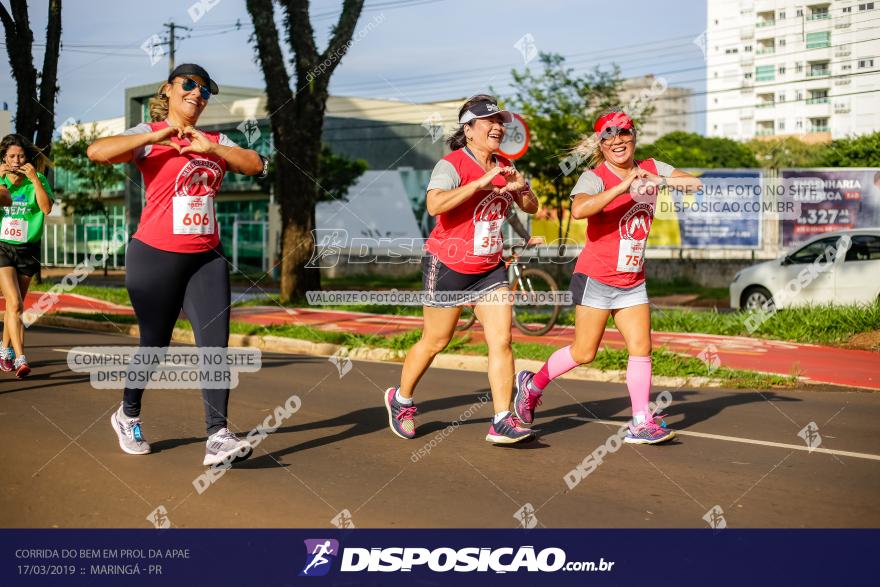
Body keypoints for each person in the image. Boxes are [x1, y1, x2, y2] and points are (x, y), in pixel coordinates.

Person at [87, 64, 267, 465]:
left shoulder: (215, 139)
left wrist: (213, 149)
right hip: (154, 255)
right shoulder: (147, 136)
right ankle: (127, 413)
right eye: (189, 85)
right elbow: (96, 152)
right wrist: (160, 133)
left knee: (215, 346)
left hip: (206, 257)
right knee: (154, 344)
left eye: (205, 90)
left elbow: (257, 164)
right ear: (168, 89)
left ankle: (217, 435)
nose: (197, 94)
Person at [513, 111, 701, 444]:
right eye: (609, 137)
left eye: (624, 134)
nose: (618, 141)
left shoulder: (653, 167)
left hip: (632, 280)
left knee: (642, 348)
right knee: (584, 352)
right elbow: (580, 209)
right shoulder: (594, 176)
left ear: (634, 136)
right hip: (596, 277)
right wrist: (623, 187)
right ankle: (532, 385)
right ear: (601, 144)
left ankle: (640, 421)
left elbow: (694, 183)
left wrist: (658, 180)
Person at [384, 94, 540, 444]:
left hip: (490, 269)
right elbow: (434, 203)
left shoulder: (505, 165)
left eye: (501, 121)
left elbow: (531, 205)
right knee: (436, 340)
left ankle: (501, 419)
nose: (498, 127)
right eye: (489, 121)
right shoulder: (452, 164)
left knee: (502, 339)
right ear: (468, 129)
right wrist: (480, 183)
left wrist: (520, 188)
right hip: (449, 264)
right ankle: (402, 399)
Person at [0, 134, 53, 379]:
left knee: (16, 306)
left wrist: (34, 179)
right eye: (11, 156)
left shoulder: (38, 179)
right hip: (2, 247)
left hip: (27, 249)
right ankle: (21, 357)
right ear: (3, 158)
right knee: (15, 302)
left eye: (20, 155)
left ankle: (4, 351)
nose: (16, 160)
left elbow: (46, 208)